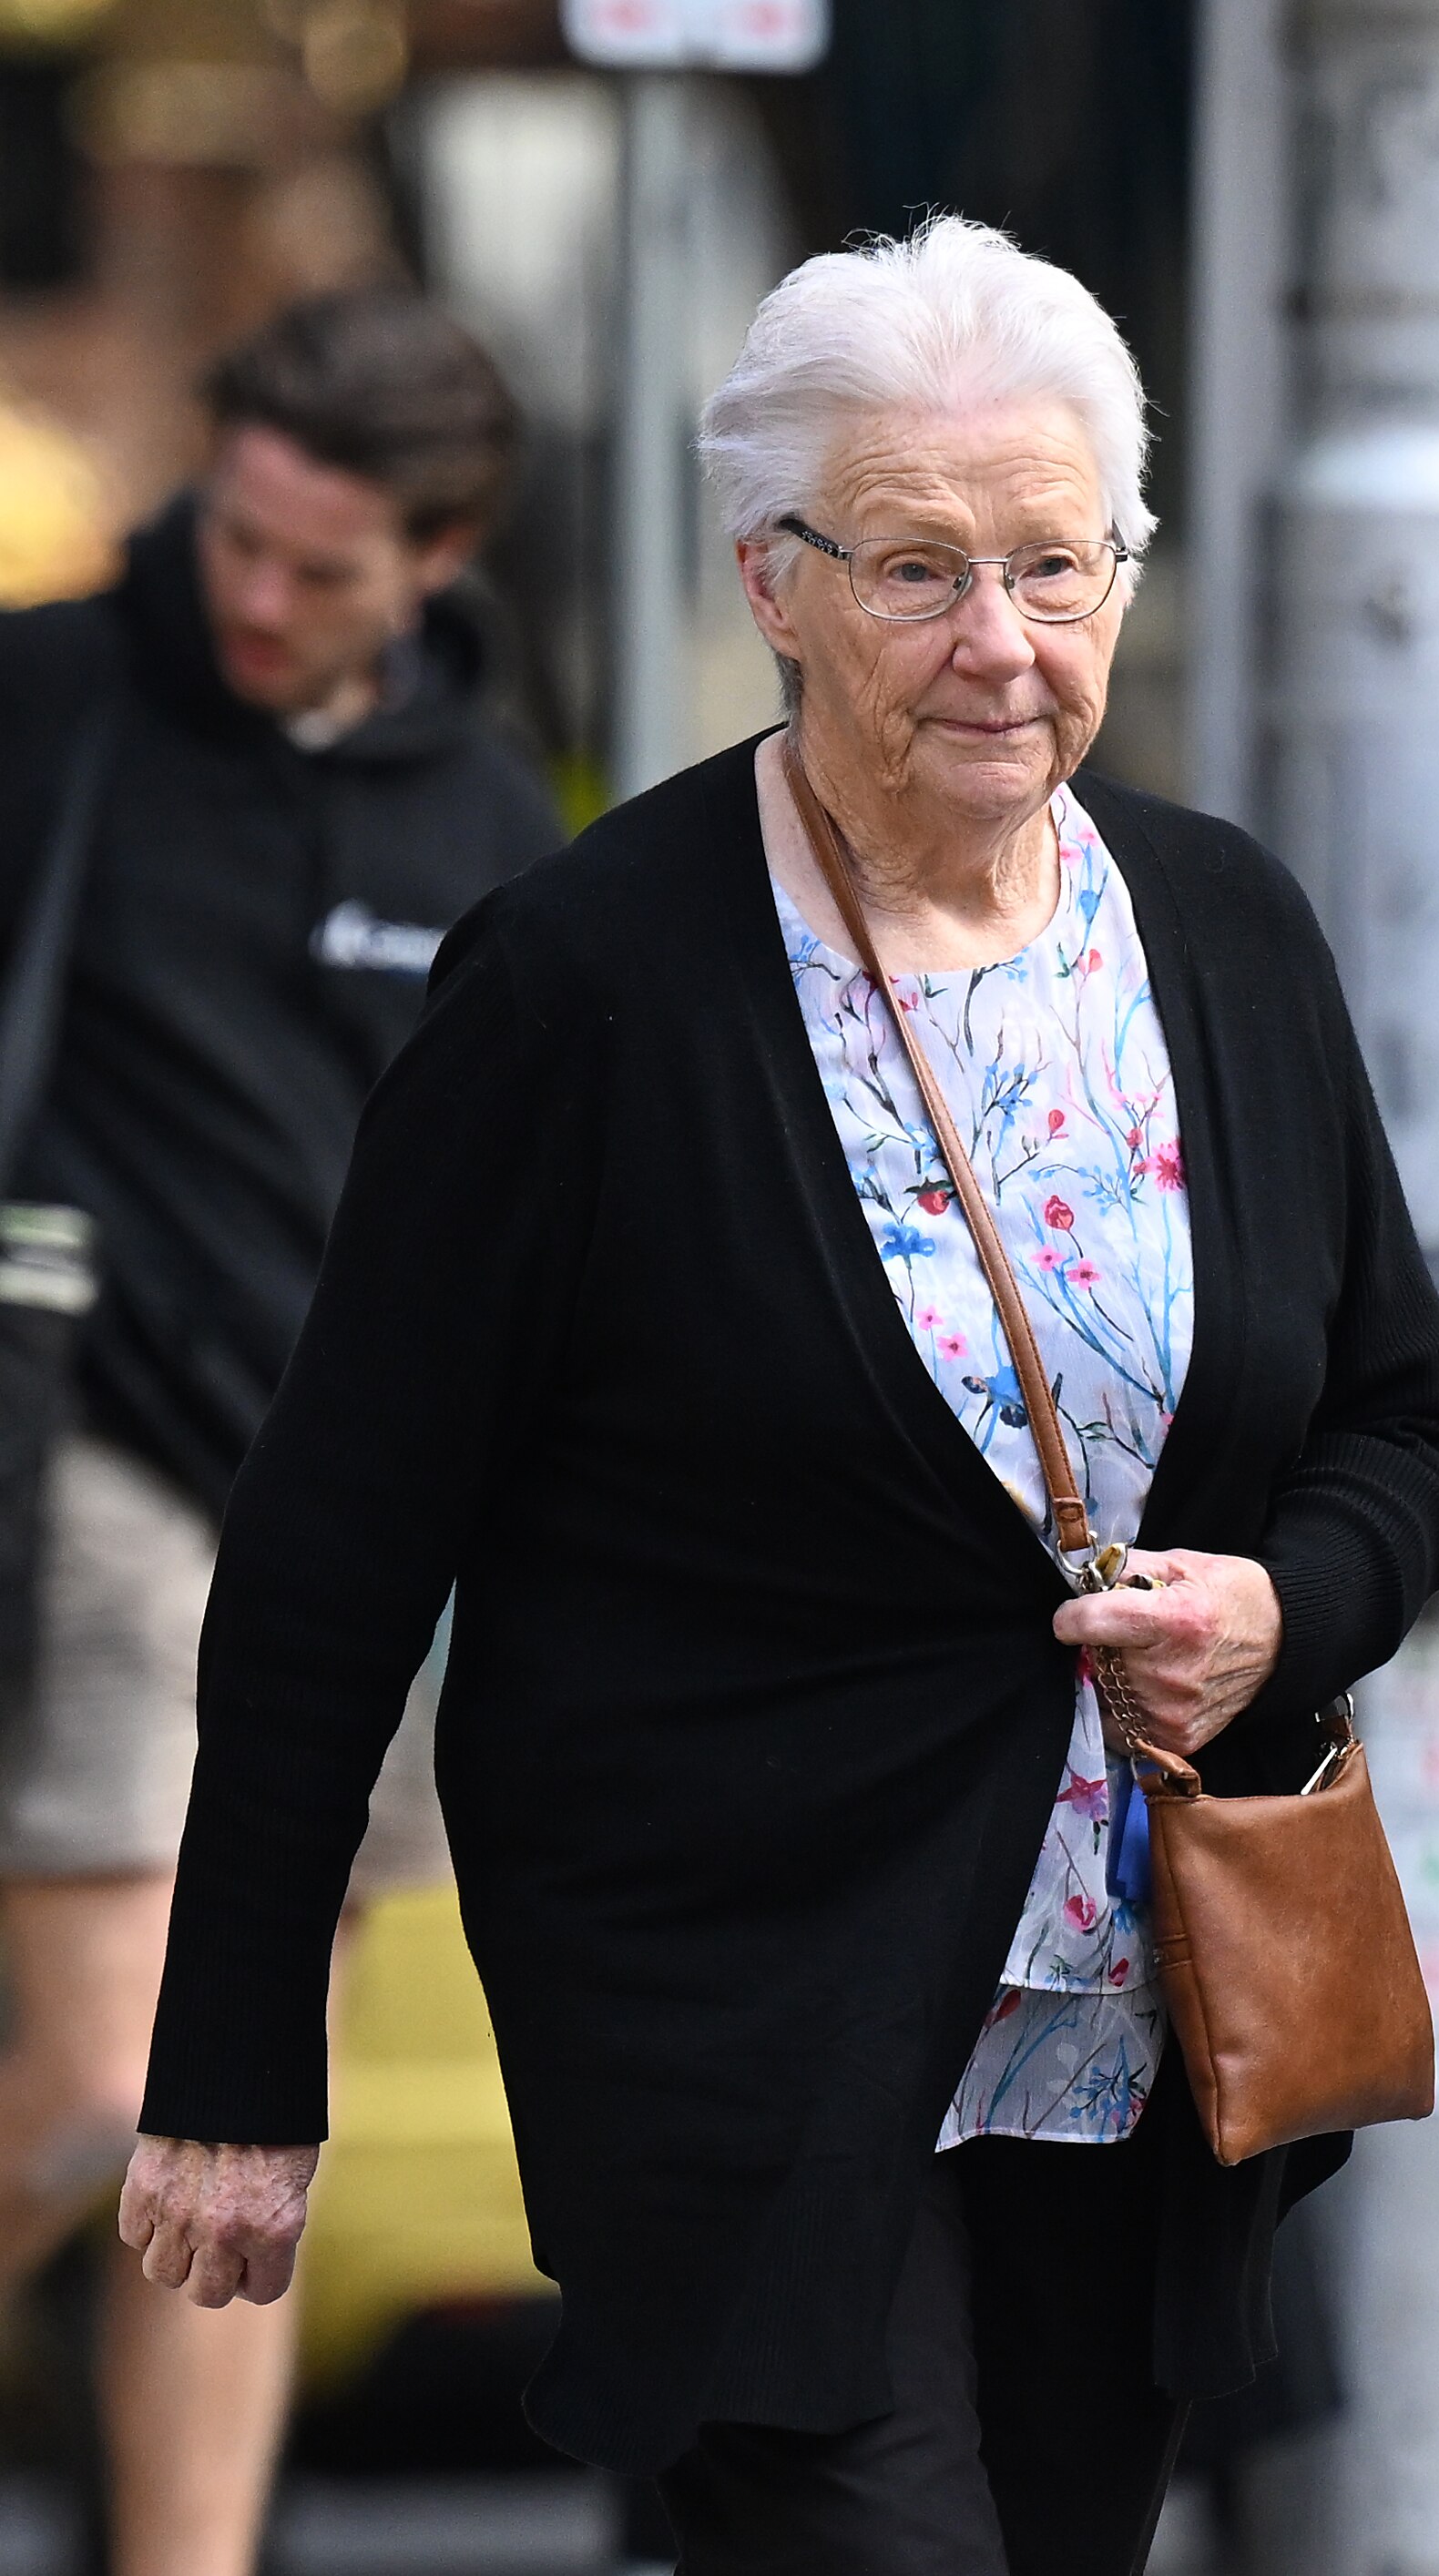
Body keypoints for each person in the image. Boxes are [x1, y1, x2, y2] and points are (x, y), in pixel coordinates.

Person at [121, 220, 1439, 2576]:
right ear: (771, 578)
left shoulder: (1223, 928)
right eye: (918, 567)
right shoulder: (581, 984)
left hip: (1141, 2012)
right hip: (733, 2013)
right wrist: (236, 2065)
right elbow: (339, 1533)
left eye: (1053, 563)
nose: (998, 642)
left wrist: (1283, 1602)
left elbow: (1396, 1413)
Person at [0, 291, 562, 2576]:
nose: (250, 596)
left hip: (358, 1538)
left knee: (241, 2124)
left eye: (313, 569)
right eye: (233, 534)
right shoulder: (52, 703)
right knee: (98, 2075)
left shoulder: (484, 805)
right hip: (105, 1476)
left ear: (438, 553)